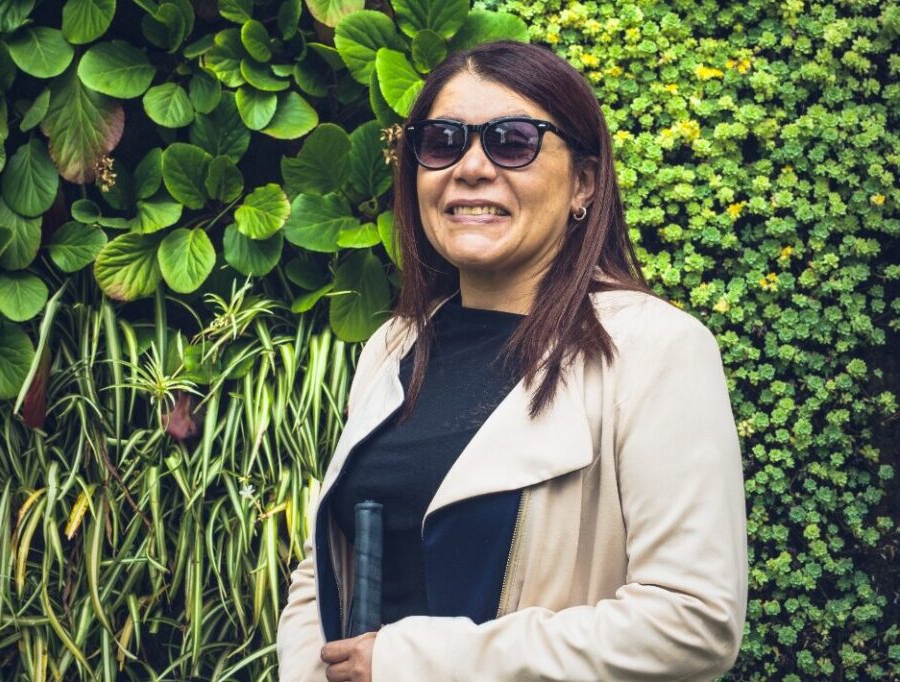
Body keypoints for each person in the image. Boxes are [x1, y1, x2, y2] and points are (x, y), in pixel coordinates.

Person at [277, 40, 748, 681]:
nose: (470, 167)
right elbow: (322, 569)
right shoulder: (392, 346)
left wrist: (413, 663)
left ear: (583, 182)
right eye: (442, 141)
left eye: (513, 141)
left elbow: (693, 622)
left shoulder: (655, 350)